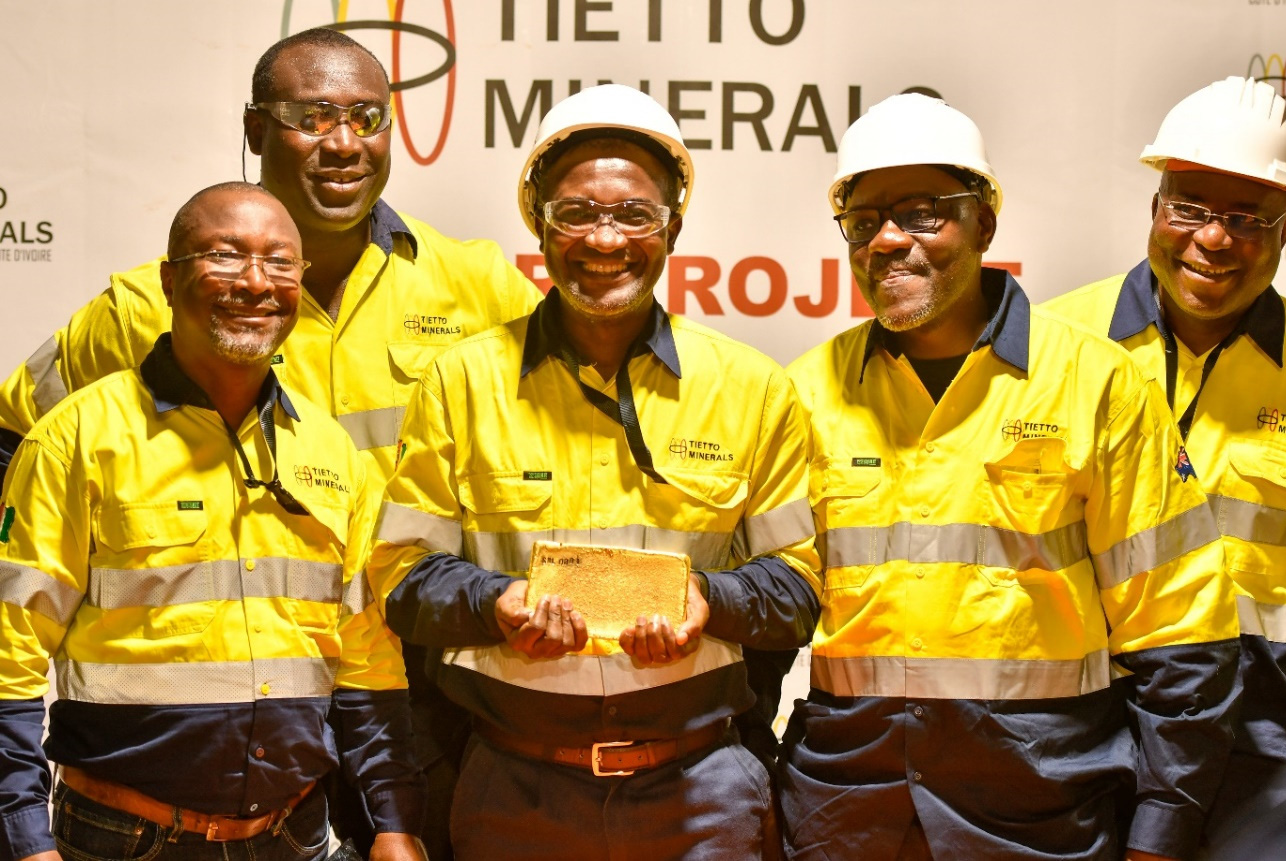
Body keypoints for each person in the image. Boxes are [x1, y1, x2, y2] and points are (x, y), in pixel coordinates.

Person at [0, 28, 540, 858]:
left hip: (407, 698)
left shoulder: (475, 282)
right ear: (255, 131)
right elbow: (16, 439)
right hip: (176, 740)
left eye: (366, 117)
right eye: (311, 116)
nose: (343, 143)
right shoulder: (143, 303)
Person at [777, 93, 1241, 861]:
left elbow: (1183, 632)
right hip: (845, 805)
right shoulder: (804, 391)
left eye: (925, 212)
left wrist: (1163, 828)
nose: (890, 239)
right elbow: (768, 617)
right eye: (865, 221)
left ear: (985, 222)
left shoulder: (1097, 384)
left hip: (1041, 807)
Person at [367, 84, 822, 860]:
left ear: (673, 227)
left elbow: (799, 591)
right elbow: (403, 579)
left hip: (701, 794)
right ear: (538, 225)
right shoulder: (462, 380)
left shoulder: (751, 388)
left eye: (633, 214)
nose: (604, 239)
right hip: (512, 791)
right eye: (576, 212)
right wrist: (495, 603)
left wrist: (705, 603)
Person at [0, 182, 425, 861]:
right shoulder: (77, 438)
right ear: (169, 280)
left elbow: (369, 662)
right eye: (224, 256)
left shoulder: (331, 451)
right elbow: (7, 658)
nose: (256, 282)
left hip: (294, 836)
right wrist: (22, 835)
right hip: (123, 840)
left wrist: (393, 819)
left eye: (281, 262)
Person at [1045, 76, 1286, 849]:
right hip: (1084, 733)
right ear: (1154, 209)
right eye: (1190, 206)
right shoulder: (1055, 346)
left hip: (1269, 749)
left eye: (1248, 218)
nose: (1214, 239)